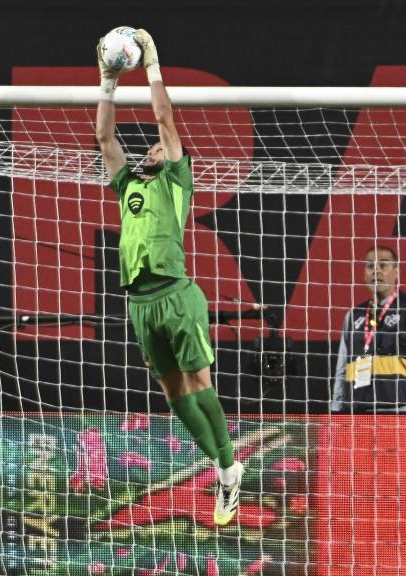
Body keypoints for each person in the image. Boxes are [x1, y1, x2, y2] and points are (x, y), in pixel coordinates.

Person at [94, 28, 244, 526]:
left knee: (200, 382)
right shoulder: (128, 186)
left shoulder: (177, 179)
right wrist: (108, 80)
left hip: (178, 294)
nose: (154, 149)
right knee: (173, 395)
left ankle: (228, 468)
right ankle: (224, 465)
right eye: (154, 149)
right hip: (139, 302)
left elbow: (163, 118)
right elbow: (104, 137)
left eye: (161, 148)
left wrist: (153, 65)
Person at [330, 246, 406, 413]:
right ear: (364, 274)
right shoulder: (353, 316)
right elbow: (341, 370)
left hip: (402, 413)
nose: (376, 271)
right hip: (358, 413)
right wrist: (336, 410)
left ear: (397, 271)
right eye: (370, 266)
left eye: (383, 265)